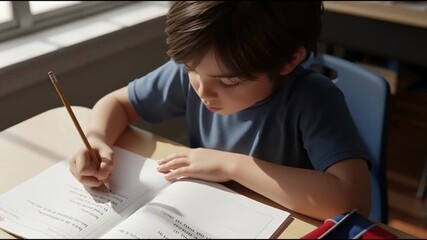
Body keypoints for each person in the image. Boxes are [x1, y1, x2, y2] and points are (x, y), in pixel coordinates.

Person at [69, 1, 371, 221]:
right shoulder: (198, 70)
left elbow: (352, 200)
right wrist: (97, 140)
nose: (203, 90)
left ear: (289, 60)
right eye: (191, 70)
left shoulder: (314, 99)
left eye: (229, 82)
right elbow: (117, 103)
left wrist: (231, 166)